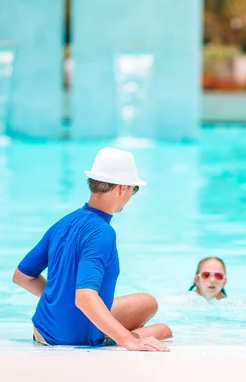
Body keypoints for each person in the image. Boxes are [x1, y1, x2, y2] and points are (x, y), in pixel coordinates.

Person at [12, 147, 171, 351]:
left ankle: (93, 321)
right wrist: (129, 340)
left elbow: (22, 276)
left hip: (42, 329)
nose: (132, 195)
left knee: (147, 303)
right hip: (71, 338)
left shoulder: (63, 223)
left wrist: (62, 302)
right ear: (122, 188)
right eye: (134, 189)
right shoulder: (102, 233)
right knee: (163, 330)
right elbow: (85, 297)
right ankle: (105, 332)